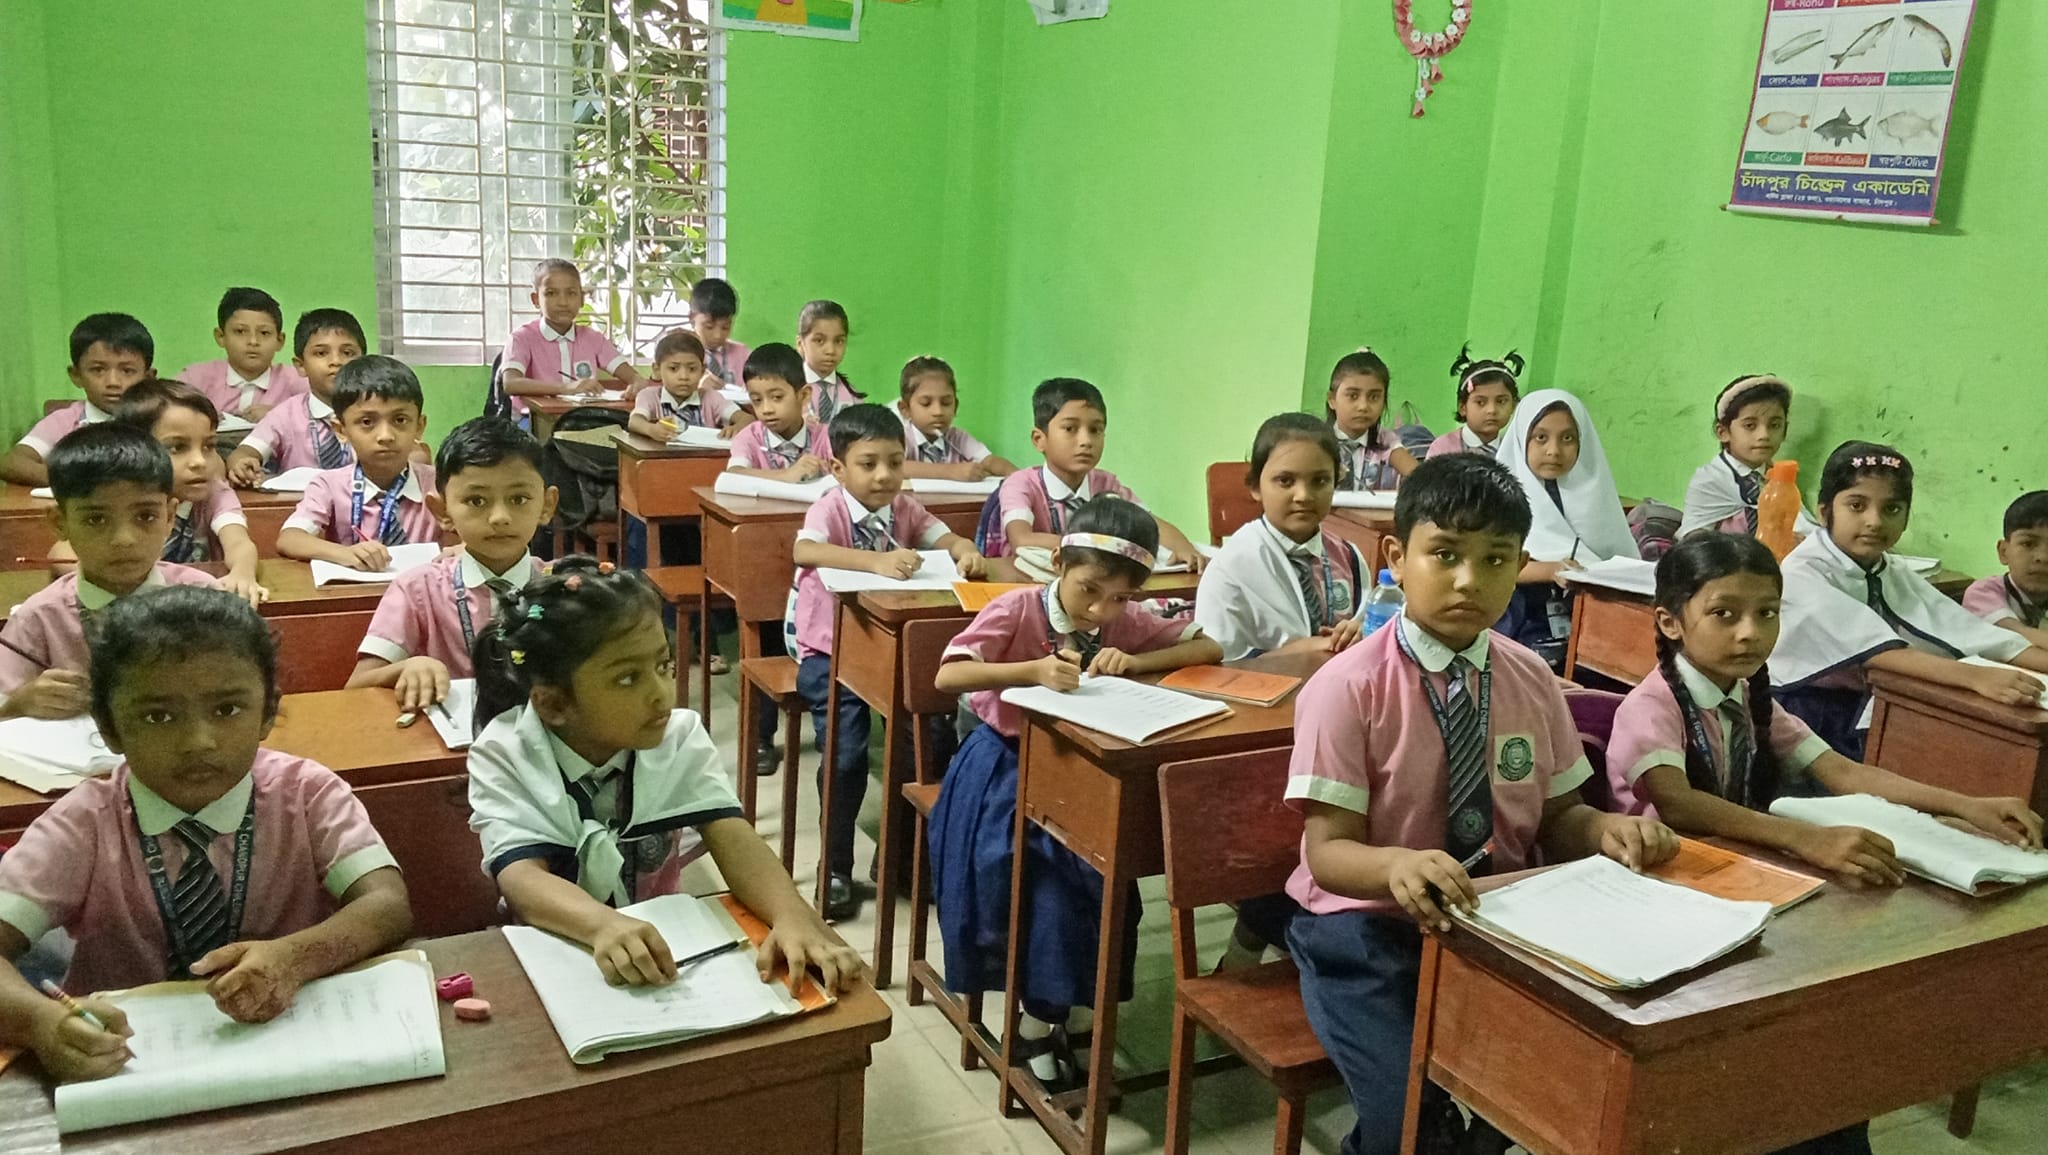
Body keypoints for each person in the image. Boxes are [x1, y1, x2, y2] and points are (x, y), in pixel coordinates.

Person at [1284, 453, 1677, 1155]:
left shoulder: (1530, 677)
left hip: (1502, 920)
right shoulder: (1348, 687)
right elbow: (1328, 853)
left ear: (1520, 564)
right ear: (1397, 558)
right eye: (1445, 554)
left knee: (1550, 1087)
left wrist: (1609, 830)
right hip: (1367, 931)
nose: (1470, 579)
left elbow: (1561, 818)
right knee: (1406, 1122)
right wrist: (1398, 866)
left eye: (1495, 559)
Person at [0, 586, 412, 1078]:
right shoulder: (85, 821)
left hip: (290, 1044)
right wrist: (40, 1021)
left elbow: (387, 904)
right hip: (126, 1065)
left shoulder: (307, 793)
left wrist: (296, 957)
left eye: (227, 709)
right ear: (109, 727)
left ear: (267, 712)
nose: (198, 741)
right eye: (158, 716)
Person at [927, 497, 1221, 1088]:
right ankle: (1037, 1020)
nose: (1099, 609)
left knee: (1108, 877)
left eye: (1120, 599)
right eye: (1089, 590)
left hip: (1087, 775)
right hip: (1006, 771)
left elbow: (1208, 647)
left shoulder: (1120, 620)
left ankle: (1082, 1009)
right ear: (1058, 563)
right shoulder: (1016, 609)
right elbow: (948, 674)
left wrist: (1134, 660)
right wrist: (1028, 671)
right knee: (1045, 881)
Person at [464, 558, 863, 994]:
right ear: (554, 704)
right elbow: (521, 877)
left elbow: (733, 837)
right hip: (557, 952)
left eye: (663, 666)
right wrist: (602, 925)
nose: (660, 694)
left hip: (662, 951)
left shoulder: (677, 736)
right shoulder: (504, 753)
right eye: (627, 678)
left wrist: (790, 915)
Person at [788, 403, 987, 919]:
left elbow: (944, 536)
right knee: (846, 756)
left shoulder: (906, 508)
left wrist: (964, 549)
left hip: (892, 652)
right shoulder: (829, 508)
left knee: (925, 747)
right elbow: (806, 551)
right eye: (869, 464)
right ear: (838, 468)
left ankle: (899, 862)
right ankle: (834, 867)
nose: (884, 475)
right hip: (831, 653)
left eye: (895, 463)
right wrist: (875, 561)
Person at [1772, 442, 2048, 758]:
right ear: (1824, 512)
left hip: (1874, 698)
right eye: (1857, 506)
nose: (1875, 521)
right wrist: (1976, 677)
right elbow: (1879, 654)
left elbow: (1979, 635)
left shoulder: (1890, 569)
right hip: (1808, 712)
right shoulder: (1802, 572)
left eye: (1891, 509)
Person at [0, 425, 222, 718]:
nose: (124, 539)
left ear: (169, 516)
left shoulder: (205, 599)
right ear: (59, 522)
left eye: (146, 516)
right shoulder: (39, 618)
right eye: (96, 519)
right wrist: (19, 703)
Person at [351, 417, 557, 710]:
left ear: (547, 506)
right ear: (442, 511)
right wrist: (407, 668)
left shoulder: (564, 586)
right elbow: (357, 686)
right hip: (450, 733)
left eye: (519, 499)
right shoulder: (417, 590)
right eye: (476, 501)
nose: (500, 517)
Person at [1196, 413, 1367, 662]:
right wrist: (1311, 648)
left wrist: (1361, 633)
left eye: (1320, 481)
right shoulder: (1231, 568)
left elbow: (1367, 629)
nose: (1303, 496)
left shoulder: (1349, 558)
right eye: (1285, 481)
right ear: (1255, 487)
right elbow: (1218, 661)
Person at [993, 377, 1203, 570]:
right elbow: (1021, 539)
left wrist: (1185, 548)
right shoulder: (1021, 484)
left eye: (1095, 430)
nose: (1086, 441)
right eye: (1070, 428)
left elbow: (1149, 524)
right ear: (1039, 439)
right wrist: (1094, 546)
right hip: (1030, 583)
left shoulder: (1106, 485)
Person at [1494, 388, 1638, 667]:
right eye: (1540, 437)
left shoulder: (1596, 495)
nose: (1554, 451)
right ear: (1522, 438)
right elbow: (1491, 566)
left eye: (1568, 438)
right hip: (1518, 621)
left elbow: (1620, 559)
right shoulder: (1498, 497)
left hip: (1587, 620)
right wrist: (1550, 570)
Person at [111, 379, 266, 605]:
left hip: (197, 606)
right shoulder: (117, 497)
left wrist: (242, 574)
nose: (199, 461)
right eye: (177, 447)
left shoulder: (214, 493)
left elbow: (239, 543)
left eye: (208, 446)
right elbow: (65, 554)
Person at [276, 356, 439, 570]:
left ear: (419, 426)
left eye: (400, 420)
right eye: (367, 422)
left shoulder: (440, 483)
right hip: (357, 588)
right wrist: (344, 553)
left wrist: (462, 549)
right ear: (341, 430)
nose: (385, 436)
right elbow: (290, 538)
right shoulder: (329, 485)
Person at [3, 313, 155, 487]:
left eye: (127, 371)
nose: (113, 382)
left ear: (148, 378)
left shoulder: (160, 419)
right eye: (98, 370)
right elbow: (11, 463)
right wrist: (78, 484)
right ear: (76, 375)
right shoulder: (64, 421)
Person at [225, 308, 366, 483]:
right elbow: (245, 451)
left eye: (348, 353)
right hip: (297, 499)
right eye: (321, 353)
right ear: (300, 366)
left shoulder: (377, 411)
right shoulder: (287, 414)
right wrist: (241, 463)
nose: (336, 361)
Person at [498, 259, 643, 419]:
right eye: (551, 293)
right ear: (536, 299)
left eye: (571, 293)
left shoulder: (593, 339)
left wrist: (636, 384)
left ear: (582, 299)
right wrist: (565, 388)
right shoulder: (521, 338)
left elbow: (634, 377)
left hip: (582, 421)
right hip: (532, 421)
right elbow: (510, 383)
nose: (563, 302)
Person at [1677, 374, 1818, 538]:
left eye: (1774, 425)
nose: (1764, 435)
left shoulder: (1778, 478)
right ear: (1723, 432)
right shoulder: (1709, 480)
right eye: (1750, 426)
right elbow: (1693, 540)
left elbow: (1802, 524)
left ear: (1785, 431)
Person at [175, 287, 309, 420]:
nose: (253, 341)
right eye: (240, 331)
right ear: (221, 336)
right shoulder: (195, 379)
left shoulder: (297, 381)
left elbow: (318, 416)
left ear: (280, 340)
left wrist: (280, 415)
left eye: (264, 333)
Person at [894, 356, 1017, 482]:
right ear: (905, 409)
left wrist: (1021, 478)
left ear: (956, 406)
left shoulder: (958, 438)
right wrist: (950, 471)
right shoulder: (901, 438)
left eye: (946, 403)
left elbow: (989, 461)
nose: (938, 412)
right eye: (926, 403)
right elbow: (895, 467)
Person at [725, 343, 832, 482]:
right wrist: (786, 475)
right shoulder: (749, 438)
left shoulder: (827, 438)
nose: (766, 409)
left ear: (804, 395)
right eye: (757, 400)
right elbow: (733, 474)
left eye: (777, 397)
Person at [625, 329, 747, 443]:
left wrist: (736, 428)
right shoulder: (649, 396)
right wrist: (651, 429)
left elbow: (747, 419)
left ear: (702, 370)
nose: (684, 376)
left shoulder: (711, 398)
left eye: (692, 369)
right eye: (673, 369)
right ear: (657, 369)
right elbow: (634, 421)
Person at [1963, 490, 2048, 647]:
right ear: (2004, 552)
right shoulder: (1982, 593)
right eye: (2028, 544)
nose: (2043, 557)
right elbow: (2013, 634)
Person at [1325, 349, 1416, 490]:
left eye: (1374, 397)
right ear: (1332, 400)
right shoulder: (1317, 441)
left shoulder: (1386, 441)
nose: (1363, 406)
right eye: (1353, 396)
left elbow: (1420, 478)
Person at [1424, 345, 1520, 460]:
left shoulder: (1515, 451)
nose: (1492, 410)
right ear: (1462, 407)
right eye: (1480, 402)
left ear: (1513, 406)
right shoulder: (1443, 448)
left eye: (1501, 401)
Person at [796, 300, 861, 425]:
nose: (830, 350)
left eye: (838, 341)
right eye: (819, 340)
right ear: (800, 344)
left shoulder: (853, 397)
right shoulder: (785, 392)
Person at [689, 277, 750, 390]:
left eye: (725, 327)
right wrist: (697, 391)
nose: (718, 335)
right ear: (692, 318)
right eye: (709, 327)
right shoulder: (677, 353)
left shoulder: (742, 355)